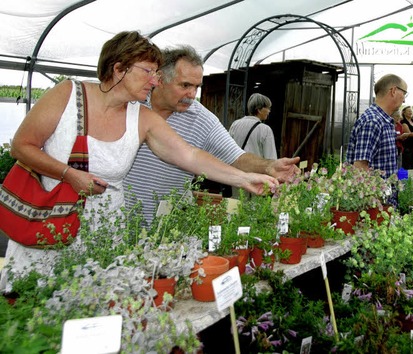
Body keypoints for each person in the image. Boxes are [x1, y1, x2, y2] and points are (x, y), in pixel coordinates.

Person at [1, 31, 277, 290]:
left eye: (157, 74)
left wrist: (246, 179)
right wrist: (68, 174)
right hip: (48, 226)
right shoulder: (68, 94)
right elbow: (21, 146)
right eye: (149, 72)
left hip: (105, 237)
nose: (155, 81)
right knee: (34, 301)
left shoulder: (141, 117)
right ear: (118, 69)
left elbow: (190, 156)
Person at [124, 46, 299, 223]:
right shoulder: (130, 104)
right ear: (160, 79)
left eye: (196, 87)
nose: (192, 95)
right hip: (116, 216)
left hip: (166, 222)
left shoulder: (201, 118)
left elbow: (236, 156)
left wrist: (268, 166)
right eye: (185, 85)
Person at [346, 73, 407, 179]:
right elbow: (360, 168)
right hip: (375, 196)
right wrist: (375, 195)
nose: (404, 100)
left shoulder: (383, 120)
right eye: (404, 93)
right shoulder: (373, 121)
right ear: (393, 91)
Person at [229, 93, 278, 160]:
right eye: (267, 108)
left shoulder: (235, 124)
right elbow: (271, 158)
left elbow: (229, 150)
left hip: (236, 169)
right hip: (255, 170)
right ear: (259, 110)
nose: (269, 111)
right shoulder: (265, 129)